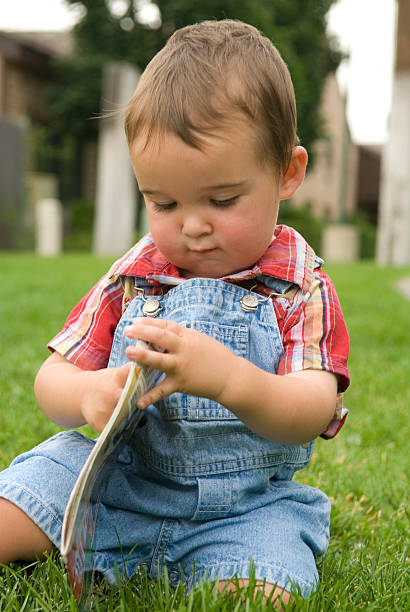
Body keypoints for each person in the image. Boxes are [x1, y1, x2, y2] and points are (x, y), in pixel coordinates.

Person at [0, 19, 349, 607]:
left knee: (263, 589)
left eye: (222, 200)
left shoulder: (299, 288)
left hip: (241, 510)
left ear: (287, 172)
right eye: (163, 202)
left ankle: (218, 564)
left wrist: (232, 379)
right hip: (116, 487)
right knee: (20, 501)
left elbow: (312, 409)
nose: (190, 225)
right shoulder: (136, 273)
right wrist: (86, 395)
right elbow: (51, 376)